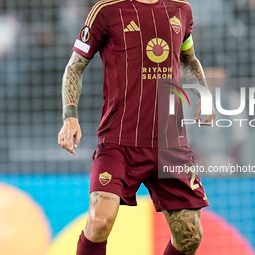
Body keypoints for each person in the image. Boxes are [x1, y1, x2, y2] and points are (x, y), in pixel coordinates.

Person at [58, 0, 216, 254]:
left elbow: (187, 59)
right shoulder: (107, 10)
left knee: (190, 236)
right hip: (119, 141)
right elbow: (74, 67)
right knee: (99, 221)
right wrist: (70, 116)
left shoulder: (181, 10)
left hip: (170, 145)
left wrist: (204, 95)